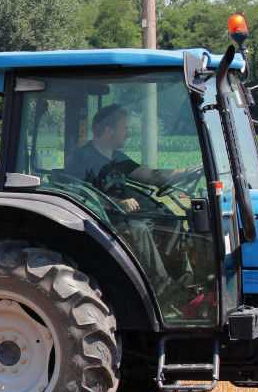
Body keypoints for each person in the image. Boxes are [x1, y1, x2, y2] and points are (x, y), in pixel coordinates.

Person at [65, 104, 191, 299]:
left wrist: (186, 173)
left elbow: (150, 176)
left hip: (123, 214)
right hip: (99, 219)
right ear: (108, 131)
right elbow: (74, 192)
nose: (128, 134)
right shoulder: (81, 159)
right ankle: (160, 289)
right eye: (124, 128)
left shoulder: (117, 157)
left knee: (170, 219)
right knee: (138, 228)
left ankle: (184, 280)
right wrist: (115, 202)